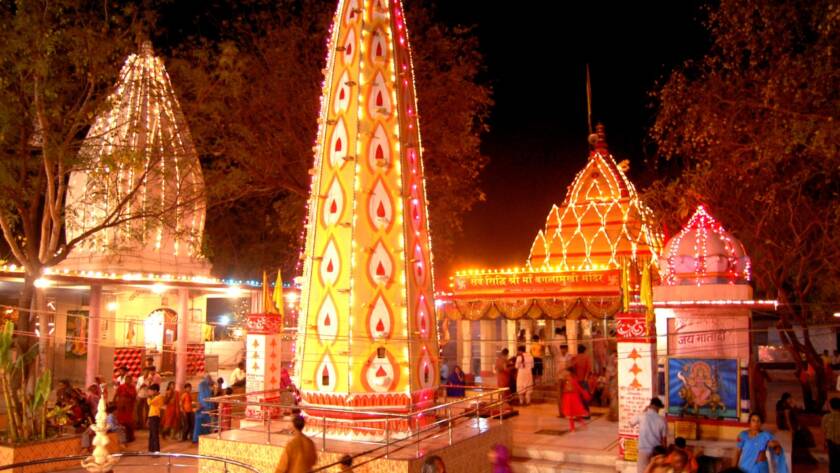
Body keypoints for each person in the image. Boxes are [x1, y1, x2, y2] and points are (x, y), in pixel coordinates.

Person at [632, 398, 667, 473]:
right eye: (659, 408)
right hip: (656, 452)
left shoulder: (642, 415)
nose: (659, 410)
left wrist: (643, 411)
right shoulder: (662, 420)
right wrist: (664, 453)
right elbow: (664, 439)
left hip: (643, 450)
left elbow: (631, 423)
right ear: (656, 407)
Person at [559, 367, 588, 431]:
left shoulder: (573, 380)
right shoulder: (565, 380)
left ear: (570, 373)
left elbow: (578, 388)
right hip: (568, 398)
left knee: (574, 413)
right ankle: (574, 427)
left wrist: (584, 393)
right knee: (571, 414)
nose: (565, 373)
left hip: (572, 398)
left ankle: (577, 425)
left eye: (567, 371)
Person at [114, 374, 136, 442]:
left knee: (128, 421)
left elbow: (134, 396)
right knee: (120, 420)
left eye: (129, 379)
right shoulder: (121, 386)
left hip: (128, 405)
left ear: (131, 380)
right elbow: (116, 394)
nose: (128, 381)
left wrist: (128, 393)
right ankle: (120, 436)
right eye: (127, 379)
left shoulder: (132, 387)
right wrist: (114, 401)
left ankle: (129, 437)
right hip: (121, 405)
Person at [192, 375, 214, 442]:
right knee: (203, 425)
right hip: (203, 410)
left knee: (204, 425)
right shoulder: (203, 386)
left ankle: (199, 438)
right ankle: (201, 438)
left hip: (203, 410)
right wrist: (208, 408)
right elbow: (204, 399)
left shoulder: (205, 387)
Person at [823, 397, 840, 472]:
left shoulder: (826, 417)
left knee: (832, 462)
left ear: (830, 406)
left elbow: (824, 431)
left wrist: (825, 442)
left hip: (831, 443)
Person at [147, 384, 164, 452]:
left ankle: (156, 450)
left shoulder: (159, 397)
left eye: (150, 391)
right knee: (151, 434)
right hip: (151, 416)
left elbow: (150, 403)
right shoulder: (154, 397)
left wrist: (148, 397)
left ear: (155, 391)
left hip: (155, 417)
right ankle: (151, 450)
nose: (149, 392)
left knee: (155, 434)